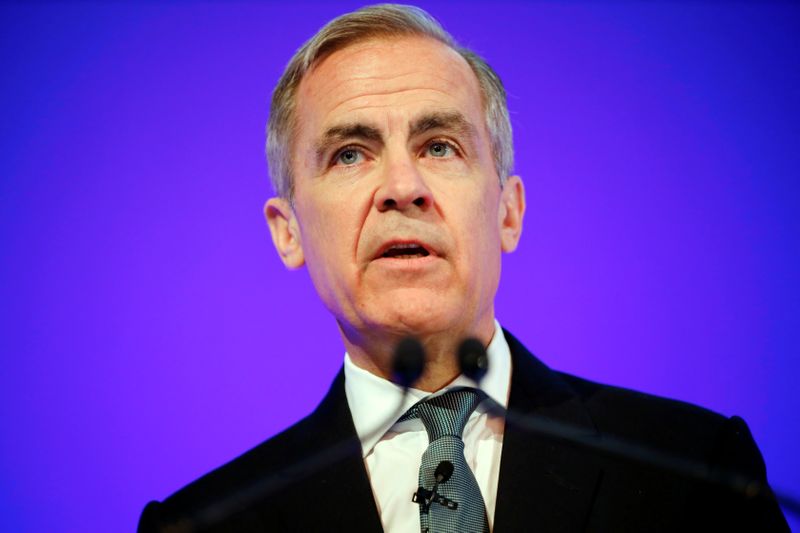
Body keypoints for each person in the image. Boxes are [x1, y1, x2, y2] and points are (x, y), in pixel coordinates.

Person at [138, 4, 788, 532]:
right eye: (350, 154)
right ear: (289, 231)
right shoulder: (203, 523)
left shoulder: (695, 474)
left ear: (509, 211)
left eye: (439, 145)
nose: (402, 185)